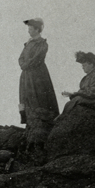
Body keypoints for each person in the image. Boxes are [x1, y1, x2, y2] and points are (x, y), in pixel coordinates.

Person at [18, 18, 60, 149]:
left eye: (31, 28)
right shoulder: (28, 43)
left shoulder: (42, 44)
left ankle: (41, 130)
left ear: (37, 29)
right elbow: (20, 58)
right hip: (26, 75)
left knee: (39, 99)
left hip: (38, 76)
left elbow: (37, 59)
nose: (29, 30)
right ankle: (30, 126)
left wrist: (25, 65)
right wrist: (24, 65)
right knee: (26, 99)